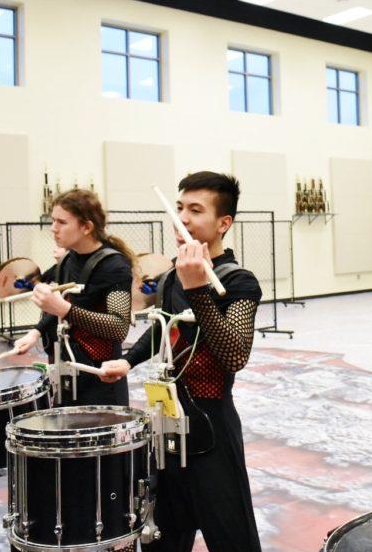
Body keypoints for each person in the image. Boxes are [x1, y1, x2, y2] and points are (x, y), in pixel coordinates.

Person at [100, 172, 263, 552]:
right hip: (166, 426)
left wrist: (199, 292)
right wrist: (129, 361)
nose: (182, 219)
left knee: (231, 537)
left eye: (195, 210)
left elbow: (234, 354)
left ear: (224, 223)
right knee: (162, 536)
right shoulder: (174, 275)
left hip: (211, 430)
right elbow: (164, 328)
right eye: (179, 209)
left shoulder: (239, 282)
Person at [12, 189, 134, 406]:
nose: (53, 228)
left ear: (86, 227)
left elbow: (119, 327)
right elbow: (65, 303)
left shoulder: (114, 266)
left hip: (101, 376)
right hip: (67, 369)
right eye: (53, 221)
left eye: (61, 222)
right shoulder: (68, 260)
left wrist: (65, 310)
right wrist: (35, 332)